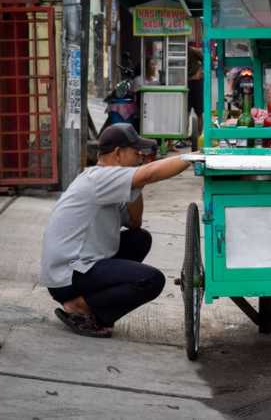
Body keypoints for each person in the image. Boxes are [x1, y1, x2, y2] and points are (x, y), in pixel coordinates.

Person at [40, 123, 192, 337]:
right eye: (135, 152)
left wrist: (137, 182)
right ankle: (81, 307)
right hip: (67, 274)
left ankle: (90, 301)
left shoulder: (110, 182)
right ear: (118, 154)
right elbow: (150, 174)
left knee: (140, 238)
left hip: (81, 266)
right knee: (152, 280)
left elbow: (135, 222)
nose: (140, 157)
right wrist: (196, 156)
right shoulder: (99, 178)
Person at [186, 43, 204, 151]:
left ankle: (198, 136)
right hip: (185, 83)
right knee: (185, 112)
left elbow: (207, 59)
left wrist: (200, 71)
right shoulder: (179, 51)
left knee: (199, 112)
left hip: (196, 82)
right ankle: (186, 136)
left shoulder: (192, 50)